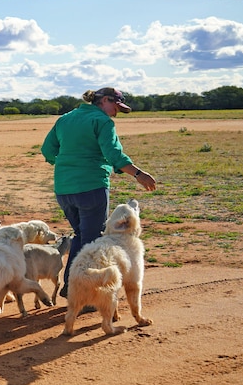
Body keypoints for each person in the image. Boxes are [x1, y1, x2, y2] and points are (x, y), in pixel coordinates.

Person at [41, 87, 157, 301]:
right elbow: (114, 154)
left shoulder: (65, 119)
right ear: (104, 100)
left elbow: (47, 150)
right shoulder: (102, 122)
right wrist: (139, 174)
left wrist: (67, 163)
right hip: (91, 188)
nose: (115, 113)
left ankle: (71, 284)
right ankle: (83, 290)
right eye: (115, 107)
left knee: (81, 235)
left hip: (64, 189)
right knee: (93, 240)